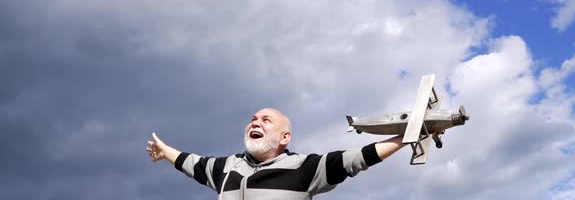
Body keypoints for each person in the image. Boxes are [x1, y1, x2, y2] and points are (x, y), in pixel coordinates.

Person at [146, 108, 406, 199]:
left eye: (266, 120)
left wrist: (408, 137)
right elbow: (191, 163)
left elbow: (358, 158)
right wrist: (165, 150)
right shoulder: (225, 168)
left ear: (285, 137)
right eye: (253, 119)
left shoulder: (304, 167)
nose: (255, 123)